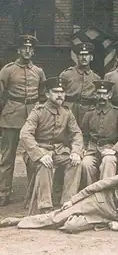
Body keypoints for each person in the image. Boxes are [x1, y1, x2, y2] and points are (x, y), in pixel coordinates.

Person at [0, 154, 118, 234]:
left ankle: (69, 217)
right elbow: (97, 186)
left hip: (109, 218)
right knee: (56, 218)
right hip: (97, 202)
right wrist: (73, 201)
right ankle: (16, 221)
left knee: (70, 227)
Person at [20, 77, 83, 215]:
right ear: (47, 94)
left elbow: (76, 134)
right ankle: (45, 207)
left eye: (62, 92)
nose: (60, 95)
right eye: (56, 92)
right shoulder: (38, 111)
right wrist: (40, 154)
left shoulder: (67, 112)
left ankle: (67, 203)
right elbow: (25, 134)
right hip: (37, 152)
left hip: (59, 152)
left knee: (75, 163)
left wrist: (76, 151)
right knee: (45, 164)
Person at [0, 34, 46, 206]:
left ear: (33, 51)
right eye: (24, 48)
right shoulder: (8, 70)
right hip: (11, 115)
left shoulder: (38, 72)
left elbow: (43, 96)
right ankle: (3, 193)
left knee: (33, 155)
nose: (27, 51)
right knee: (7, 157)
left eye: (30, 48)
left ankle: (31, 194)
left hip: (32, 117)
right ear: (18, 50)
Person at [80, 80, 118, 185]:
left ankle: (105, 194)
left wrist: (114, 150)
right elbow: (83, 134)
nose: (102, 96)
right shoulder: (89, 113)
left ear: (110, 95)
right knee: (86, 164)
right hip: (93, 149)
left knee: (108, 161)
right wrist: (84, 148)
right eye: (99, 93)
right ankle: (91, 192)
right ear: (95, 95)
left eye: (105, 93)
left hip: (110, 148)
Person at [60, 42, 101, 126]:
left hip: (88, 112)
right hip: (69, 111)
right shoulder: (67, 74)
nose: (84, 57)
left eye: (86, 55)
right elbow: (59, 94)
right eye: (81, 55)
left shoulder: (96, 78)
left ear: (91, 57)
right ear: (77, 57)